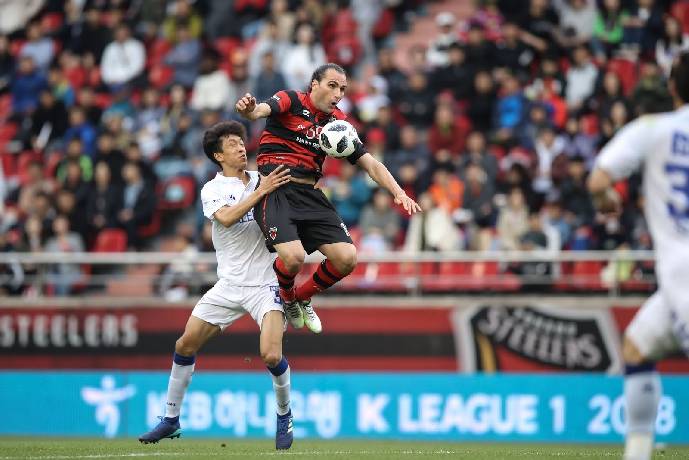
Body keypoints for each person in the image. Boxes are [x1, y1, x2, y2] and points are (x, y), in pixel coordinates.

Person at [138, 121, 295, 450]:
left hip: (264, 283)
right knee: (184, 345)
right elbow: (226, 218)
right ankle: (170, 418)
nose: (241, 147)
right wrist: (262, 192)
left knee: (269, 354)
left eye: (242, 141)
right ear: (217, 155)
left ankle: (284, 415)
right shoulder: (213, 189)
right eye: (233, 144)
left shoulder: (261, 178)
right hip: (228, 285)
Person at [235, 63, 421, 333]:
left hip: (309, 193)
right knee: (294, 258)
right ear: (314, 85)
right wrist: (248, 110)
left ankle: (301, 296)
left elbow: (370, 164)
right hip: (275, 188)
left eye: (343, 89)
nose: (338, 93)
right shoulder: (292, 99)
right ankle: (286, 297)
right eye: (332, 85)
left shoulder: (338, 123)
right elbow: (259, 110)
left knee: (347, 258)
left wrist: (398, 192)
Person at [587, 51, 689, 460]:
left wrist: (608, 199)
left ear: (672, 87)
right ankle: (638, 453)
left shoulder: (653, 128)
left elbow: (598, 178)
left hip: (683, 272)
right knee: (636, 347)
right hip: (675, 286)